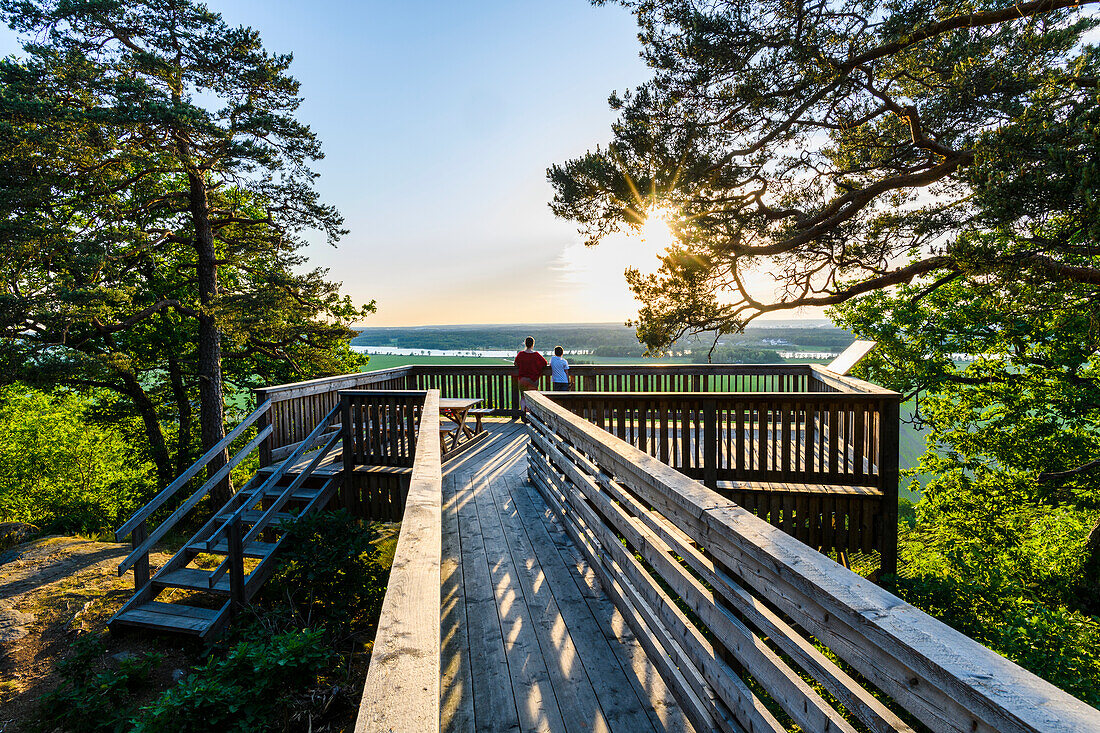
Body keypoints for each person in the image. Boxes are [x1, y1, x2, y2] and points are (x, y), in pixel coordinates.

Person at [513, 336, 547, 418]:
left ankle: (523, 414)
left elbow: (515, 363)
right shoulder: (536, 355)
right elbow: (544, 363)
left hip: (523, 379)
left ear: (525, 344)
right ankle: (531, 416)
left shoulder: (521, 354)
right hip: (533, 380)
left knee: (523, 397)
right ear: (533, 344)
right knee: (532, 398)